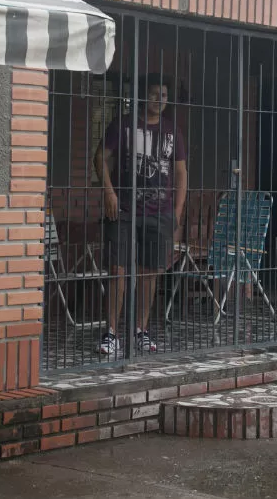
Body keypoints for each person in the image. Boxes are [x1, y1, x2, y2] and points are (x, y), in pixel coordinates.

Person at [93, 73, 188, 355]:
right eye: (154, 93)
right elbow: (100, 157)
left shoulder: (173, 131)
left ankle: (141, 330)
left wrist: (177, 212)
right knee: (118, 271)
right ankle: (111, 333)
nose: (159, 99)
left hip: (159, 214)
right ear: (143, 95)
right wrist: (109, 192)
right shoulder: (122, 124)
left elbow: (182, 173)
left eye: (164, 95)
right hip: (123, 210)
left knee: (149, 274)